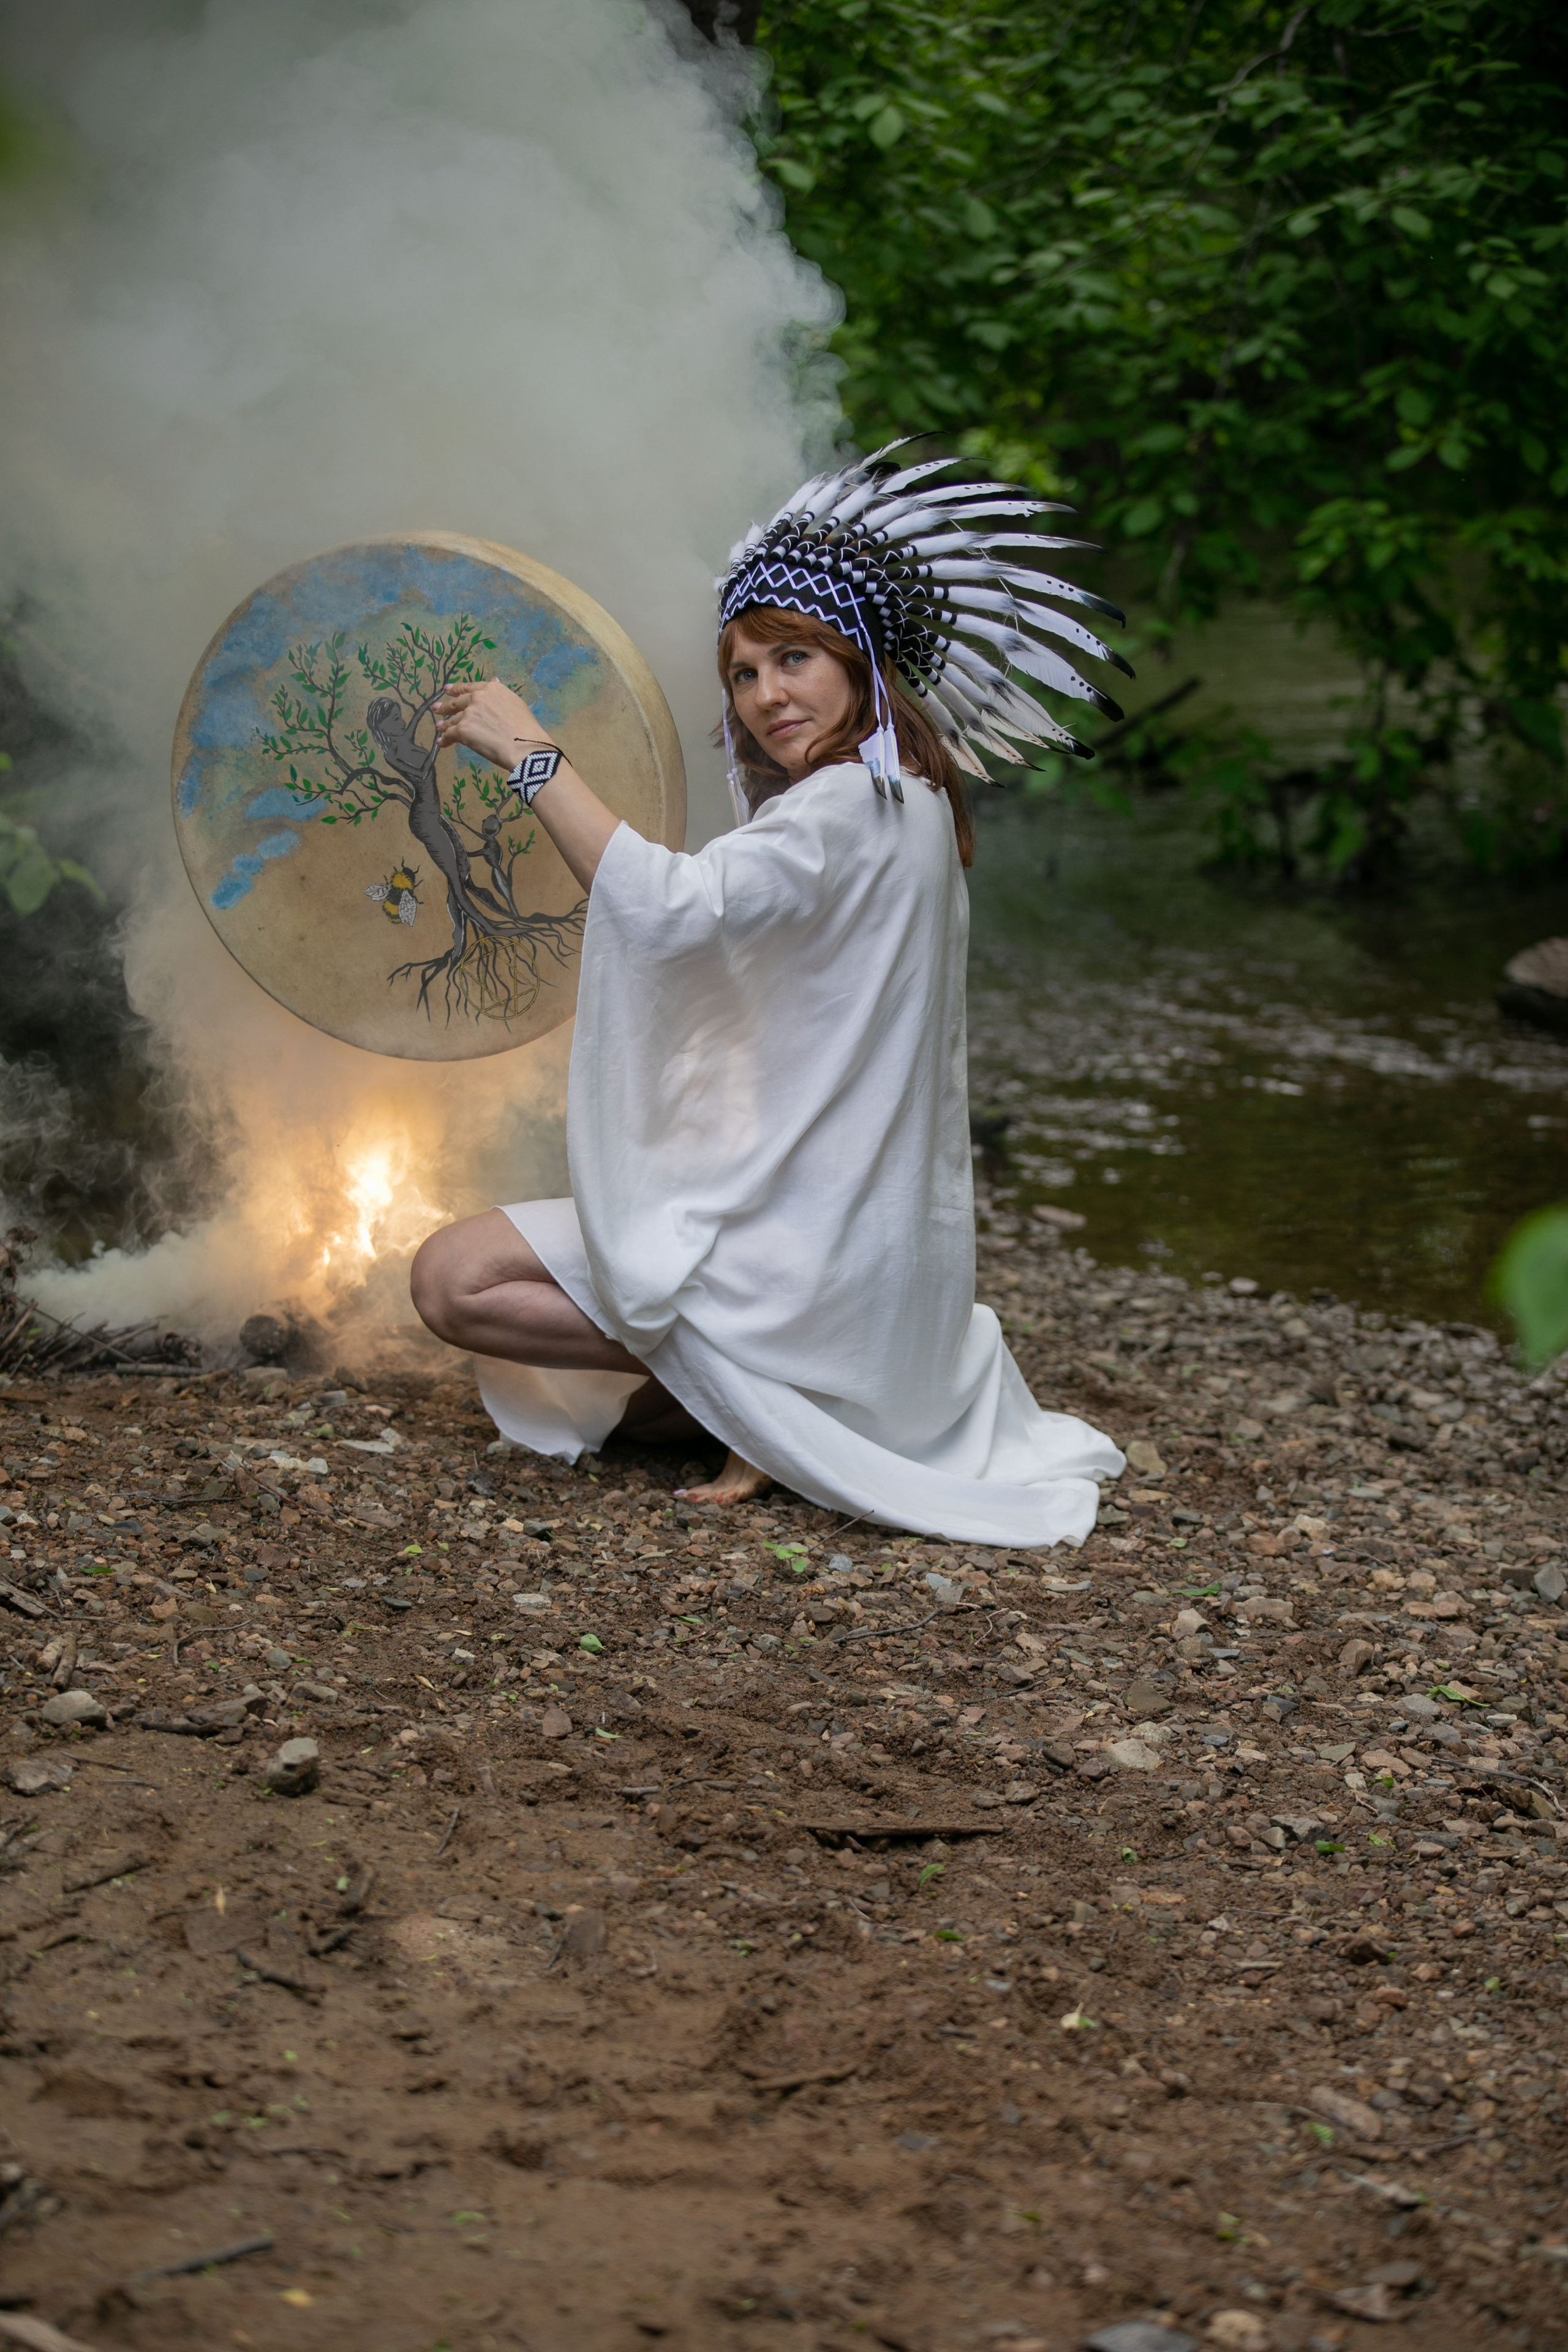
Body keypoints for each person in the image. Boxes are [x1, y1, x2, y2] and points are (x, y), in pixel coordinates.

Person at [411, 445, 1129, 1542]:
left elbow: (665, 909)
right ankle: (761, 1393)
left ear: (861, 660)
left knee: (451, 1281)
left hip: (811, 1265)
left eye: (793, 659)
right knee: (584, 1356)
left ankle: (770, 1395)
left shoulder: (849, 806)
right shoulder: (912, 801)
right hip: (864, 1264)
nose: (764, 697)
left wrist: (531, 754)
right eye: (743, 674)